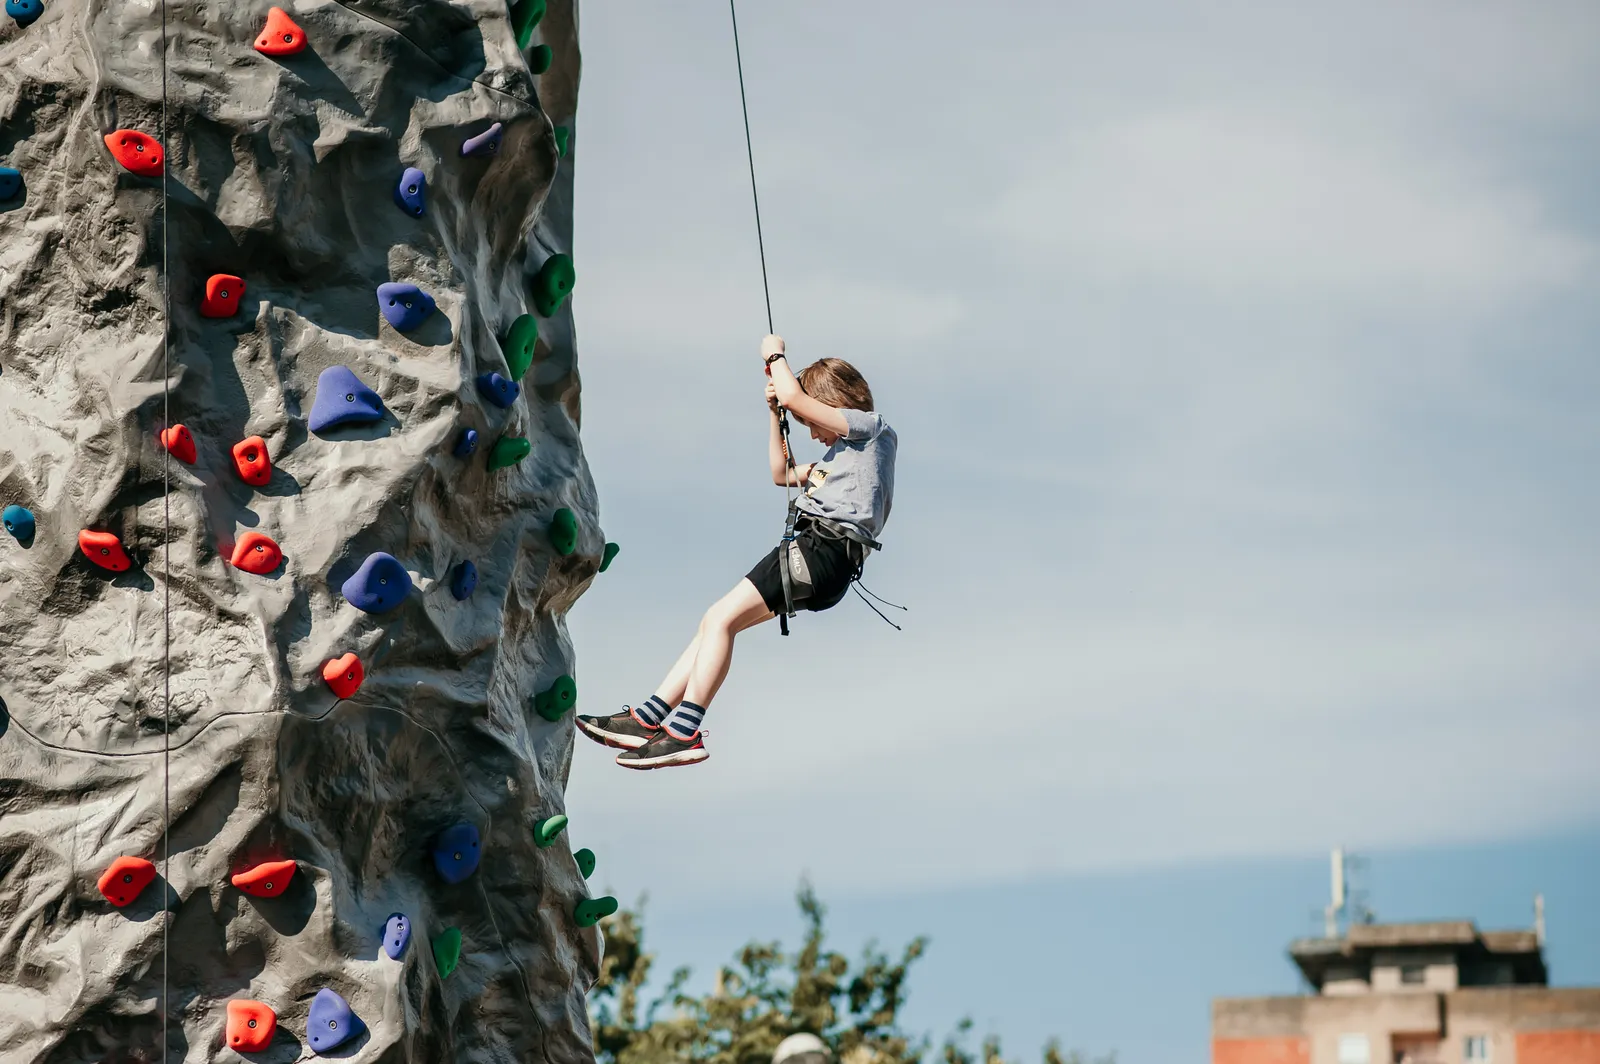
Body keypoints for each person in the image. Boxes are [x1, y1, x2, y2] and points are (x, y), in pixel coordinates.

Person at [576, 334, 897, 769]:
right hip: (823, 561)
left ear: (831, 401)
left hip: (822, 550)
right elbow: (781, 473)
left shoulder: (870, 428)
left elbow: (793, 395)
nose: (815, 434)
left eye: (813, 423)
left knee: (720, 619)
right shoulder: (839, 464)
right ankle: (650, 718)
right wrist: (774, 414)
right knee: (714, 624)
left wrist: (775, 354)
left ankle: (683, 732)